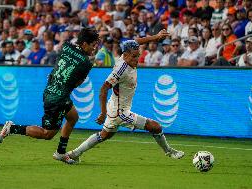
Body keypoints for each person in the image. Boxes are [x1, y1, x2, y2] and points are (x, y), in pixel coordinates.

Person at [67, 30, 185, 163]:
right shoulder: (120, 70)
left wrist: (156, 37)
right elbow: (103, 89)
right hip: (120, 112)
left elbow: (136, 42)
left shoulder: (126, 53)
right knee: (155, 127)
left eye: (138, 56)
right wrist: (102, 113)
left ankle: (74, 153)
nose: (137, 60)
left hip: (114, 107)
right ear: (126, 55)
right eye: (134, 57)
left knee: (104, 135)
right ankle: (169, 152)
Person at [0, 28, 100, 164]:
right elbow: (77, 83)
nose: (95, 48)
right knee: (47, 134)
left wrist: (56, 77)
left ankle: (60, 152)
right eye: (93, 45)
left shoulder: (66, 46)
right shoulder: (86, 63)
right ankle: (12, 128)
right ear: (85, 44)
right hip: (58, 98)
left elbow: (58, 65)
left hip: (52, 90)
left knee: (73, 117)